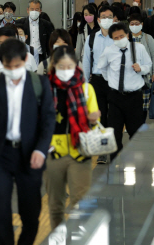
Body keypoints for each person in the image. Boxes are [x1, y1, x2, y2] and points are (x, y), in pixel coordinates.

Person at [0, 39, 55, 245]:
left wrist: (41, 150)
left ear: (26, 60)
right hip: (0, 155)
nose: (13, 71)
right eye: (8, 67)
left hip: (30, 155)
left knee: (31, 212)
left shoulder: (39, 83)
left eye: (17, 66)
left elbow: (48, 120)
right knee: (1, 211)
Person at [45, 46, 100, 228]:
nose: (66, 71)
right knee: (55, 205)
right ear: (53, 66)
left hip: (80, 151)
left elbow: (95, 123)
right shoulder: (45, 89)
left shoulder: (86, 89)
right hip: (53, 153)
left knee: (80, 202)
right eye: (62, 67)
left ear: (77, 66)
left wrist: (93, 120)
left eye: (70, 66)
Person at [97, 23, 152, 159]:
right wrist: (111, 80)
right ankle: (115, 161)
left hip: (134, 97)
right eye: (116, 38)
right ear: (112, 40)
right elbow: (102, 68)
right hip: (115, 96)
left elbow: (148, 65)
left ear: (127, 35)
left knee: (135, 132)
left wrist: (141, 69)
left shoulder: (138, 48)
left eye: (121, 36)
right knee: (115, 132)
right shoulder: (109, 51)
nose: (119, 39)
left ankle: (138, 160)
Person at [81, 6, 116, 164]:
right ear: (99, 19)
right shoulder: (92, 38)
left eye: (110, 17)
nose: (107, 19)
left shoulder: (119, 37)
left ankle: (115, 150)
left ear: (114, 19)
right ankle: (102, 151)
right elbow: (87, 61)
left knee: (114, 115)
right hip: (97, 80)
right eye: (104, 17)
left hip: (114, 80)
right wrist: (86, 84)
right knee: (100, 116)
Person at [128, 14, 154, 109]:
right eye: (132, 24)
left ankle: (142, 120)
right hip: (130, 76)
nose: (134, 26)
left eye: (136, 24)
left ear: (141, 24)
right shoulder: (126, 39)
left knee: (144, 105)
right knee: (131, 103)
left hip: (145, 76)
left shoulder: (148, 38)